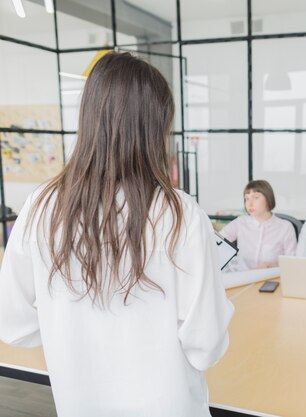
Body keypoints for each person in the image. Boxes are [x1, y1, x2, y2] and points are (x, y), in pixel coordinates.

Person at [0, 52, 233, 417]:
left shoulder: (39, 208)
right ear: (154, 129)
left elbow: (12, 325)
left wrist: (73, 332)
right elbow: (206, 346)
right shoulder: (180, 214)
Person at [220, 179, 297, 270]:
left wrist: (273, 266)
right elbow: (217, 241)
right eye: (247, 198)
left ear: (268, 199)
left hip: (272, 278)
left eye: (256, 197)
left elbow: (293, 264)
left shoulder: (285, 227)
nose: (249, 203)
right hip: (243, 278)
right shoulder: (240, 222)